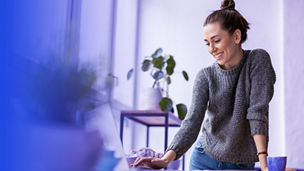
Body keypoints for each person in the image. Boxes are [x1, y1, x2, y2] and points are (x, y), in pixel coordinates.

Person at [132, 0, 276, 170]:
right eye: (207, 43)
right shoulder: (205, 76)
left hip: (240, 164)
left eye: (216, 40)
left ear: (236, 37)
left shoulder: (257, 60)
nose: (211, 49)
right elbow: (192, 121)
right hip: (204, 159)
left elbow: (257, 111)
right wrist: (165, 159)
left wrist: (265, 166)